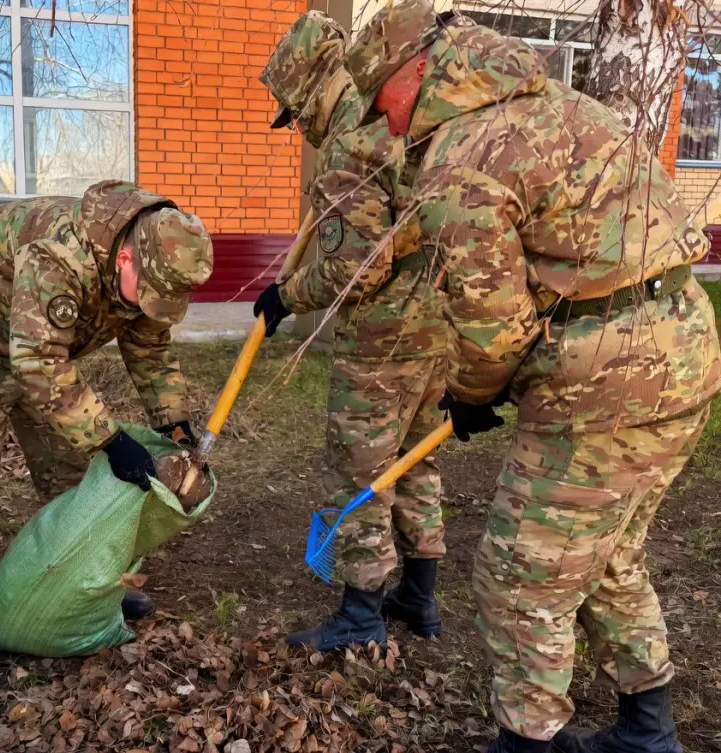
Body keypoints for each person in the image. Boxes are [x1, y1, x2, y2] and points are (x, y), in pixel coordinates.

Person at [345, 3, 721, 751]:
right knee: (609, 555)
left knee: (521, 570)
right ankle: (646, 731)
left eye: (379, 100)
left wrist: (474, 393)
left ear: (416, 71)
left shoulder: (461, 154)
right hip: (685, 344)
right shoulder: (550, 103)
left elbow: (492, 324)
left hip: (607, 376)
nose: (382, 124)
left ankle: (527, 741)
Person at [0, 180, 213, 689]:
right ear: (125, 259)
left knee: (67, 473)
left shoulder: (150, 259)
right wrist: (109, 438)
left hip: (42, 349)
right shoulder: (59, 256)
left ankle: (73, 584)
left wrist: (175, 420)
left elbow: (150, 348)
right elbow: (36, 362)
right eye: (148, 292)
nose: (153, 305)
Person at [255, 10, 448, 652]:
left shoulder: (351, 146)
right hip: (437, 330)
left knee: (359, 471)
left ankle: (361, 614)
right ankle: (419, 596)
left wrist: (286, 294)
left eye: (294, 114)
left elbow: (352, 271)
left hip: (382, 345)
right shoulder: (404, 125)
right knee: (417, 461)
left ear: (313, 91)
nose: (297, 127)